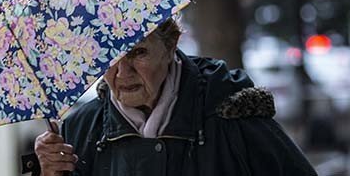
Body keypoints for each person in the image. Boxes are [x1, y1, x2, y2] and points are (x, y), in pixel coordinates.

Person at [23, 18, 317, 176]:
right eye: (109, 56)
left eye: (137, 52)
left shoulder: (230, 114)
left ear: (170, 45)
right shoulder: (78, 132)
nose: (122, 72)